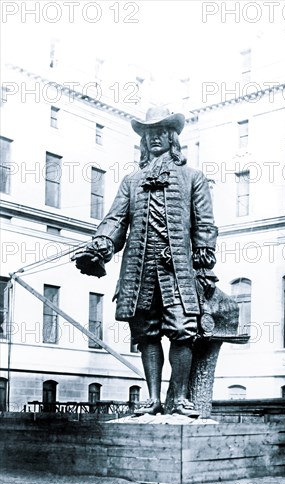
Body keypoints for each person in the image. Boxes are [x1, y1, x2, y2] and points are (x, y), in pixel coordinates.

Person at [72, 106, 218, 417]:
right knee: (146, 334)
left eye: (161, 131)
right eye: (149, 133)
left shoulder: (193, 178)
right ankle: (153, 399)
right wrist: (101, 245)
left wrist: (204, 265)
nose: (154, 138)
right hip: (139, 271)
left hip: (178, 270)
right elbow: (115, 221)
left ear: (172, 137)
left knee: (182, 329)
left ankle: (179, 399)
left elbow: (205, 224)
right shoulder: (131, 181)